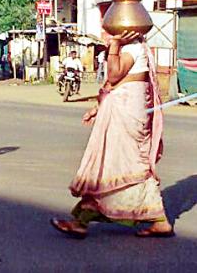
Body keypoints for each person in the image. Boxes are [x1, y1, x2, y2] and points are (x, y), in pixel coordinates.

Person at [50, 30, 174, 238]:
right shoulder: (134, 48)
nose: (107, 36)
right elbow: (116, 85)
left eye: (110, 33)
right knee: (117, 166)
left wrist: (115, 47)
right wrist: (98, 109)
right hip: (125, 112)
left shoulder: (133, 48)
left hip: (128, 117)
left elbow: (114, 75)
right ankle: (158, 220)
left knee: (118, 167)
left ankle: (82, 222)